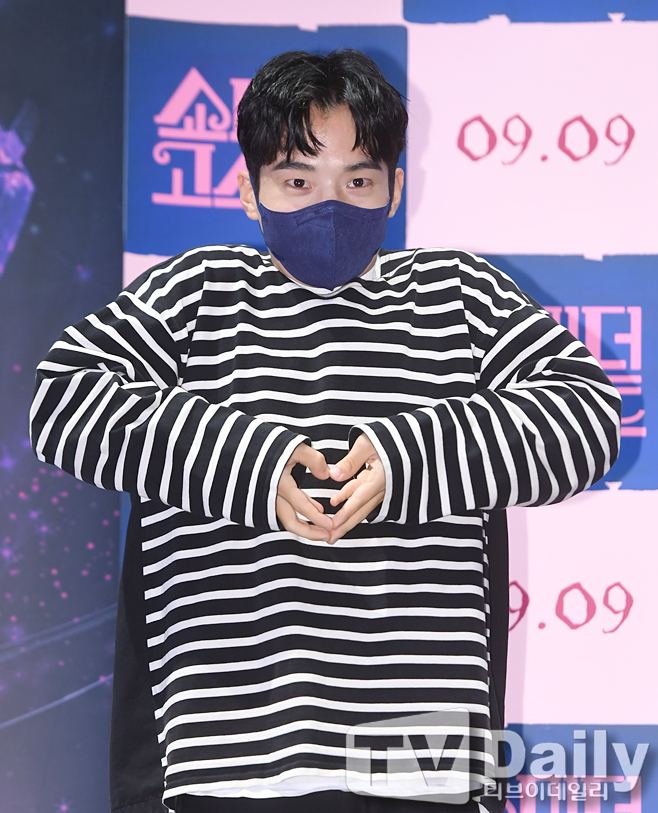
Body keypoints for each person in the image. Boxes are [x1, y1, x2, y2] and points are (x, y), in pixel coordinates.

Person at [29, 49, 621, 813]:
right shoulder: (198, 291)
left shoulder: (459, 293)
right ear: (248, 189)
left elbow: (585, 415)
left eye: (358, 181)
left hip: (422, 766)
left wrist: (411, 458)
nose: (329, 206)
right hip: (230, 762)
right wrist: (247, 462)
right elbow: (64, 399)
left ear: (395, 187)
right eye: (298, 181)